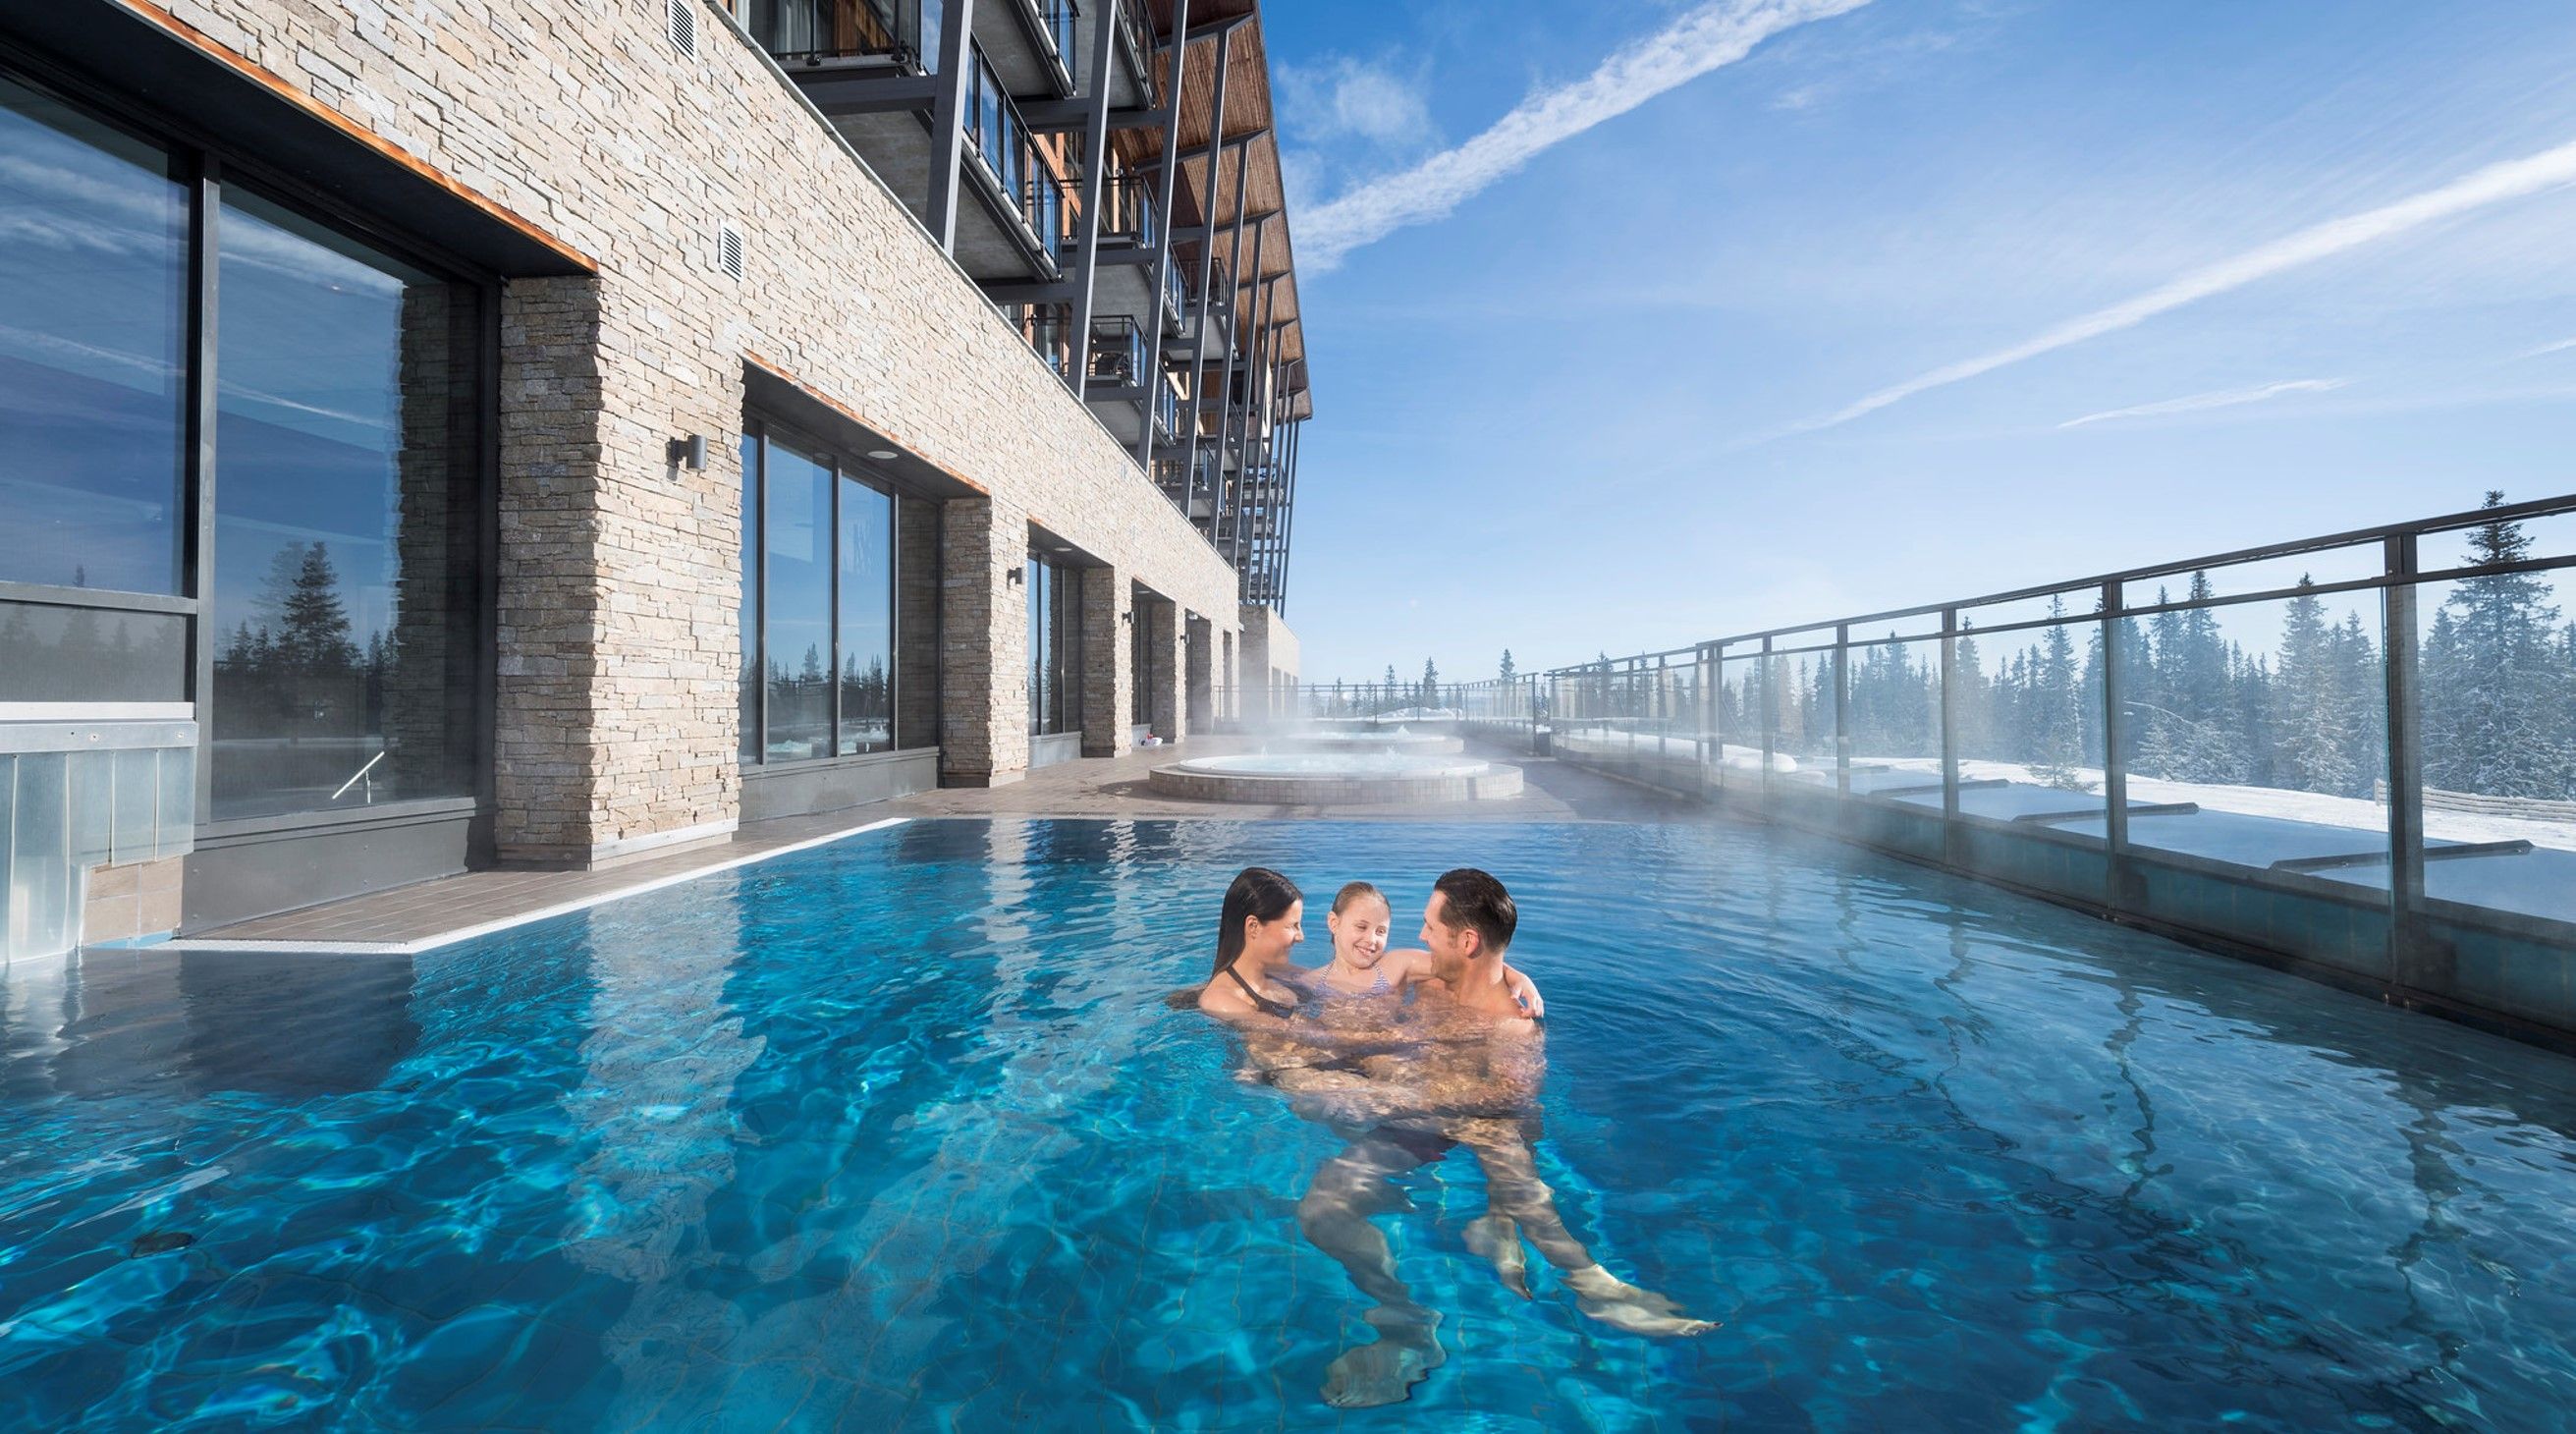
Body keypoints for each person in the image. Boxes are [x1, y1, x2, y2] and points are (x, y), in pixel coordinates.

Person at [1285, 868, 1716, 1408]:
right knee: (1320, 1210)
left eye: (1428, 926)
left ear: (1466, 941)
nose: (1418, 936)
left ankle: (1588, 1280)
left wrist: (1392, 1095)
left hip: (1474, 1124)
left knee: (1508, 1151)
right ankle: (1409, 1318)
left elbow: (1510, 1105)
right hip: (1426, 1121)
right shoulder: (1430, 981)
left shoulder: (1514, 1023)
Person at [1311, 880, 1544, 1019]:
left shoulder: (1396, 964)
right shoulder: (1311, 980)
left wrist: (1518, 977)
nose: (1371, 939)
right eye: (1361, 927)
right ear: (1334, 923)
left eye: (1381, 931)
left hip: (1388, 1053)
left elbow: (1471, 961)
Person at [1194, 866, 1306, 1020]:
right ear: (1253, 926)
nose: (1301, 937)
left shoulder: (1282, 975)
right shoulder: (1220, 1000)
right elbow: (1294, 1037)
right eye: (1293, 925)